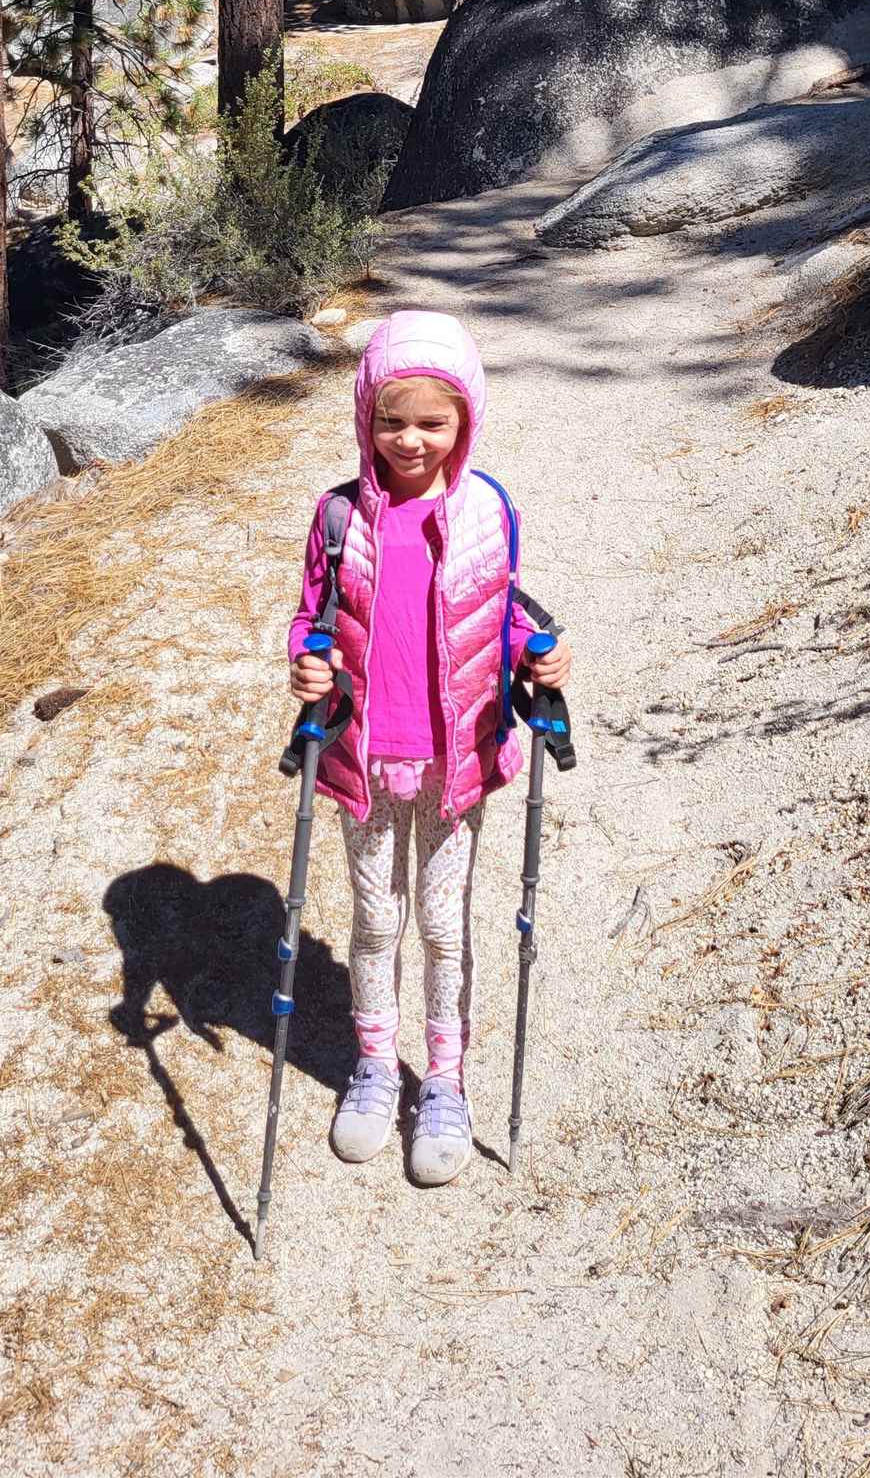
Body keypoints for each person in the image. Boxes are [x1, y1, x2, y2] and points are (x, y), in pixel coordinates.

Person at [287, 308, 571, 1187]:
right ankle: (375, 1064)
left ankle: (442, 1078)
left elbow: (503, 601)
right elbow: (312, 617)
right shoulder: (339, 519)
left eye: (433, 423)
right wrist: (305, 661)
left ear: (465, 423)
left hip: (459, 763)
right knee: (376, 921)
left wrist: (536, 649)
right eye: (391, 420)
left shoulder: (490, 508)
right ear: (366, 416)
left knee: (444, 927)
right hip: (361, 761)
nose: (411, 440)